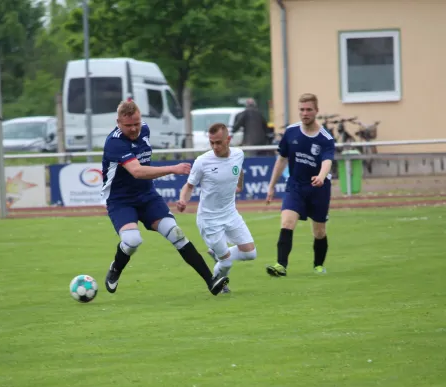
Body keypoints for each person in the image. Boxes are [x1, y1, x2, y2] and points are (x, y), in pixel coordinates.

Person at [101, 100, 229, 296]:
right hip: (120, 200)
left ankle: (211, 281)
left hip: (147, 196)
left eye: (137, 122)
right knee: (132, 240)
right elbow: (136, 171)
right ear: (118, 122)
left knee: (176, 233)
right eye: (128, 125)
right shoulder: (114, 143)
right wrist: (172, 168)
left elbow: (142, 167)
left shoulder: (144, 130)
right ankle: (116, 268)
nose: (134, 128)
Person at [176, 123, 257, 293]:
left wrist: (239, 187)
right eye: (211, 143)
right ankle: (218, 283)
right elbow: (189, 186)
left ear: (228, 139)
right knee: (226, 262)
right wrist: (183, 200)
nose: (215, 147)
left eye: (219, 142)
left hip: (230, 213)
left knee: (250, 254)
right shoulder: (202, 162)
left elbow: (239, 171)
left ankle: (219, 255)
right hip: (209, 219)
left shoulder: (238, 154)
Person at [265, 93, 335, 277]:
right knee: (287, 222)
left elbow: (327, 161)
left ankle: (318, 265)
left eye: (309, 109)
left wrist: (320, 176)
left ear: (316, 111)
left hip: (319, 189)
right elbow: (281, 160)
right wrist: (271, 185)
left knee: (319, 231)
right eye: (302, 109)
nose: (305, 113)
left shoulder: (325, 138)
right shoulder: (291, 132)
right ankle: (281, 265)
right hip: (295, 186)